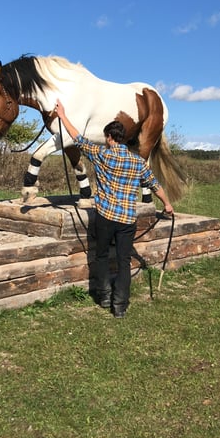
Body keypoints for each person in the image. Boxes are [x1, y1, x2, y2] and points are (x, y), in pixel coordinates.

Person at [54, 99, 174, 318]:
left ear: (109, 138)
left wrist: (62, 116)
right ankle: (119, 306)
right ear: (123, 138)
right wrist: (167, 204)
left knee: (101, 256)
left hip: (105, 217)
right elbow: (155, 185)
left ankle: (104, 296)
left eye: (106, 137)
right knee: (124, 261)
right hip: (128, 220)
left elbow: (77, 139)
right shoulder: (138, 162)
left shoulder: (101, 155)